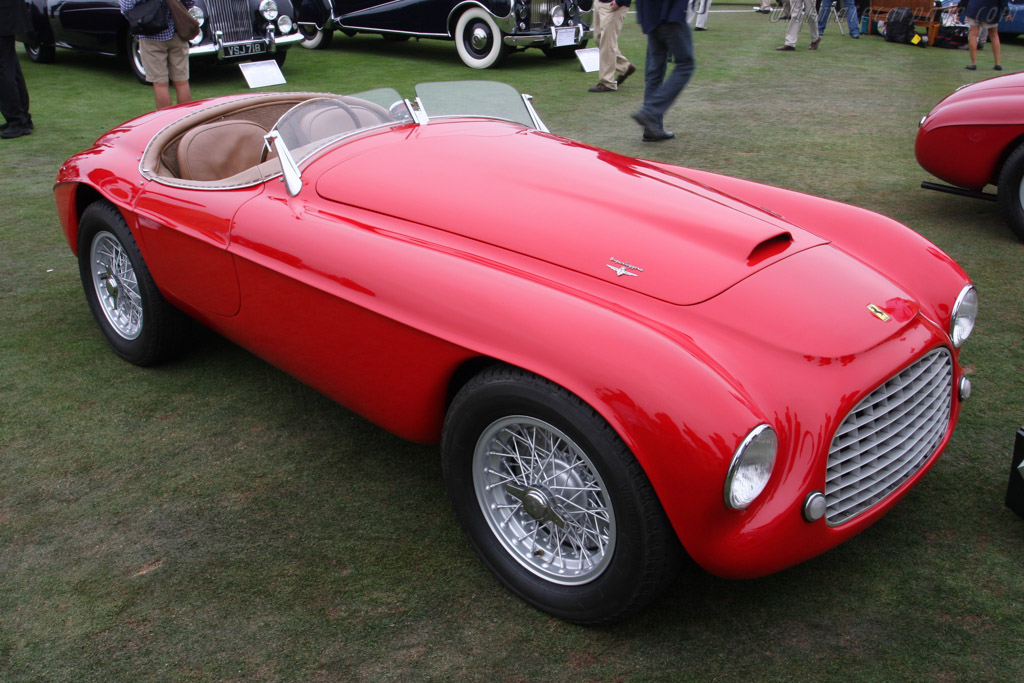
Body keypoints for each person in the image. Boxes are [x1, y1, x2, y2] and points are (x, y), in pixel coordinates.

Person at [630, 0, 695, 142]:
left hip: (651, 18)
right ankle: (650, 112)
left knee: (655, 73)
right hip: (670, 15)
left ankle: (652, 128)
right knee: (685, 65)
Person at [119, 0, 195, 109]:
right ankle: (187, 121)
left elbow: (126, 7)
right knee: (182, 82)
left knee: (160, 84)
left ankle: (167, 122)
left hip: (150, 35)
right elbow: (190, 2)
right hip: (177, 32)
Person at [0, 0, 33, 139]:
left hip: (4, 13)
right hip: (8, 12)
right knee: (10, 65)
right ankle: (22, 119)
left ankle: (17, 120)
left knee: (5, 68)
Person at [589, 0, 636, 92]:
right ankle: (625, 67)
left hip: (612, 5)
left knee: (608, 43)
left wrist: (620, 1)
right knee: (598, 38)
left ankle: (608, 82)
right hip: (600, 3)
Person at [961, 0, 1009, 70]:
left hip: (975, 8)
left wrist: (960, 7)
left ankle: (973, 63)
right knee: (994, 35)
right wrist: (1006, 12)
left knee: (973, 34)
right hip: (991, 10)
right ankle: (997, 64)